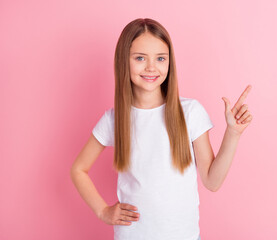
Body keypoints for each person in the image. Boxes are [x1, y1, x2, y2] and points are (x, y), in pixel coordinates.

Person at [70, 18, 253, 240]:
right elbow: (78, 169)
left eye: (160, 58)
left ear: (169, 62)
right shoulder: (114, 119)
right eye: (139, 58)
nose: (151, 67)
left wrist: (232, 134)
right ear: (123, 61)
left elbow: (212, 181)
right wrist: (102, 211)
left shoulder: (190, 112)